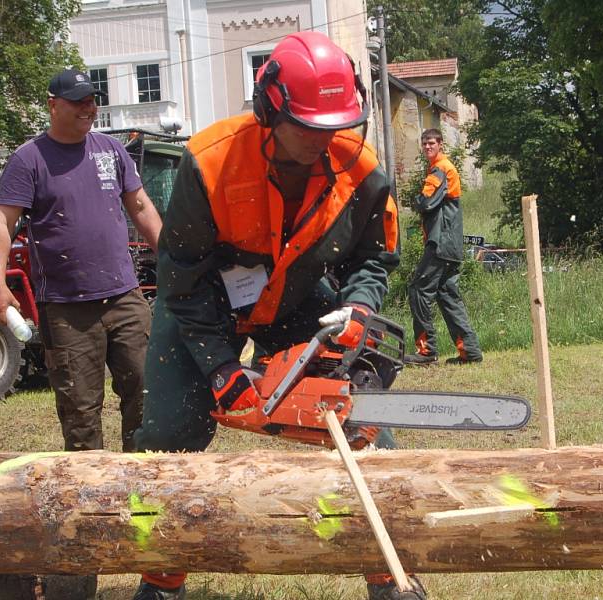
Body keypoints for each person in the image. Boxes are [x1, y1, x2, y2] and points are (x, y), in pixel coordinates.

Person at [132, 31, 426, 600]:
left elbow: (375, 258)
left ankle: (390, 574)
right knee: (169, 434)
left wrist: (359, 307)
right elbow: (181, 276)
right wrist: (221, 368)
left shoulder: (362, 172)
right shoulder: (210, 161)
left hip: (298, 300)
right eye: (311, 126)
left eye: (334, 125)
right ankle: (160, 579)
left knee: (363, 423)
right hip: (205, 302)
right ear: (271, 108)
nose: (324, 138)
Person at [0, 68, 163, 452]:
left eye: (92, 100)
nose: (89, 108)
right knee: (80, 413)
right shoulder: (29, 159)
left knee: (148, 394)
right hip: (67, 310)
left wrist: (174, 258)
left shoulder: (111, 150)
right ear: (53, 105)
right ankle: (92, 503)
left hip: (125, 298)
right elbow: (2, 222)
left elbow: (142, 208)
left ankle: (145, 487)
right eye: (78, 101)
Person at [405, 129, 482, 365]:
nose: (428, 147)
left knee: (418, 290)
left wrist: (414, 201)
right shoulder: (442, 168)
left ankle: (426, 352)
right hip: (452, 246)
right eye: (425, 143)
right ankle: (470, 352)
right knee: (448, 296)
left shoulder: (441, 168)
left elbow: (426, 202)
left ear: (440, 145)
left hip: (440, 243)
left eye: (432, 143)